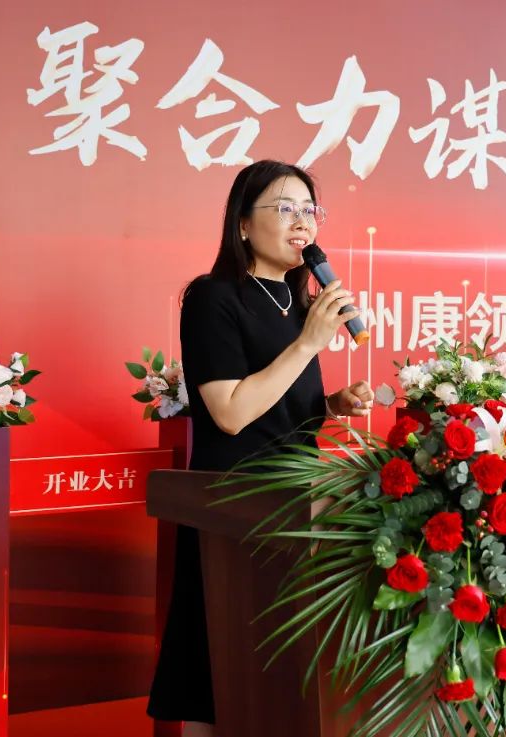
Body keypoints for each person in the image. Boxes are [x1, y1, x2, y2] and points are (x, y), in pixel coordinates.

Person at [147, 160, 374, 737]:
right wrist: (308, 345)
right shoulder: (212, 298)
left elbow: (276, 406)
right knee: (219, 663)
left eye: (309, 210)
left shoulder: (297, 302)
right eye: (285, 208)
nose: (302, 222)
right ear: (243, 224)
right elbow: (229, 413)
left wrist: (331, 404)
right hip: (235, 503)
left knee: (276, 668)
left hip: (296, 499)